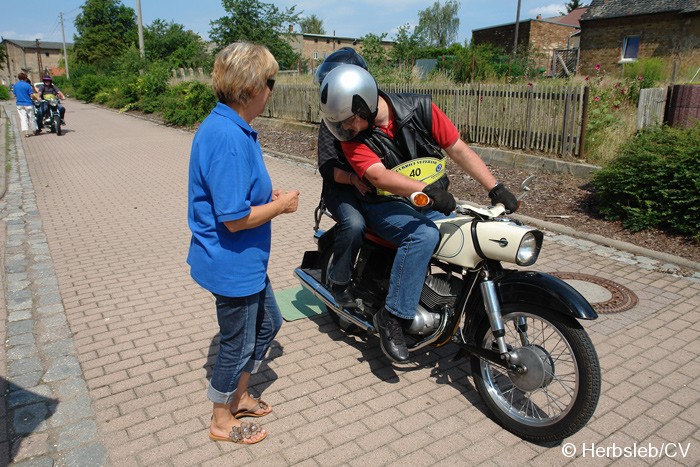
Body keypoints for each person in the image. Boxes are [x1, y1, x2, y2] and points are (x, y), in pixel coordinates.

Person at [319, 65, 518, 363]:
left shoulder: (421, 108)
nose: (346, 129)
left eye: (349, 121)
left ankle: (466, 311)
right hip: (382, 204)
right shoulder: (353, 139)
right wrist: (422, 191)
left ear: (365, 104)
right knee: (422, 235)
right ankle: (393, 316)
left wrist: (495, 187)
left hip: (427, 199)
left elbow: (457, 148)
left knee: (474, 231)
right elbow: (378, 177)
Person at [187, 41, 300, 445]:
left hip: (245, 260)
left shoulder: (231, 128)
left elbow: (235, 199)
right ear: (252, 87)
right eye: (270, 81)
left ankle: (239, 394)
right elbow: (233, 220)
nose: (272, 90)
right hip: (232, 261)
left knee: (269, 322)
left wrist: (264, 201)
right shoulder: (228, 138)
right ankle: (221, 418)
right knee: (238, 342)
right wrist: (283, 206)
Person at [314, 48, 371, 308]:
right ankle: (339, 283)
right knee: (356, 223)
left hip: (372, 187)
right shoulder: (331, 123)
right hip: (341, 189)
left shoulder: (370, 116)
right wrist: (353, 179)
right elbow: (327, 167)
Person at [13, 72, 37, 137]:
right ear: (25, 78)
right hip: (28, 103)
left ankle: (26, 132)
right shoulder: (27, 85)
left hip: (19, 104)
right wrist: (36, 98)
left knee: (23, 118)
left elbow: (14, 94)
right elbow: (31, 95)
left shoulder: (15, 85)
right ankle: (34, 131)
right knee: (31, 117)